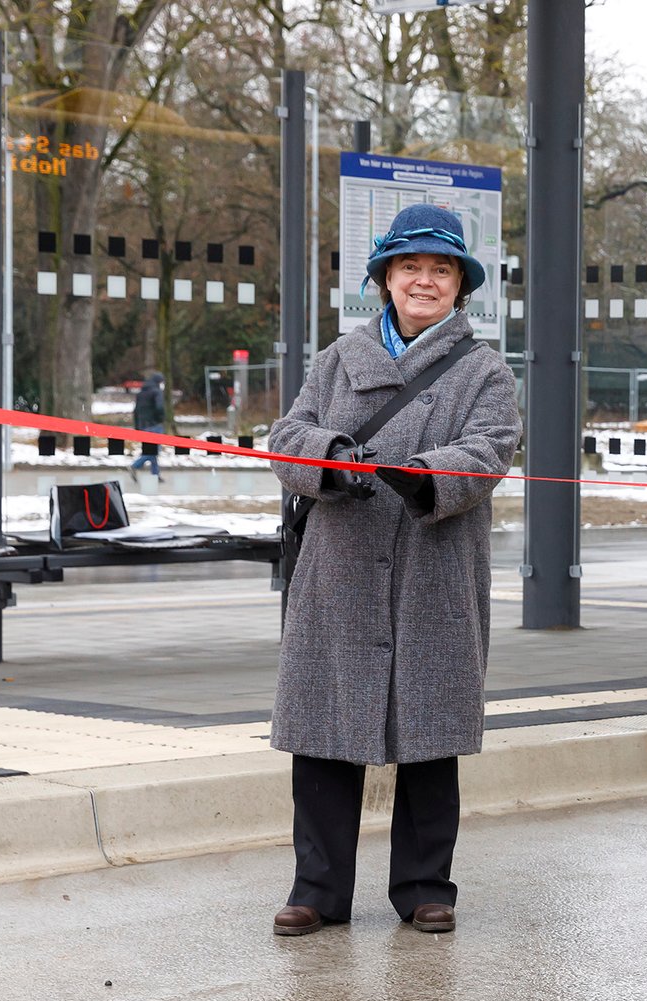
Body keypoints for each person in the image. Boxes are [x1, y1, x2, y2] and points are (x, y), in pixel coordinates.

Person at [264, 204, 520, 937]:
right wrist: (332, 457)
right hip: (338, 572)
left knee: (430, 738)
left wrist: (426, 474)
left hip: (434, 570)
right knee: (323, 733)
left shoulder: (484, 370)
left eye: (441, 270)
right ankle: (317, 888)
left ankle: (424, 886)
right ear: (385, 277)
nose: (425, 281)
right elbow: (286, 435)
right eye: (411, 267)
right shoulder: (337, 359)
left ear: (460, 287)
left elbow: (492, 447)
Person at [131, 371, 166, 477]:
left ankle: (155, 474)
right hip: (154, 425)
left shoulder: (141, 393)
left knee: (151, 449)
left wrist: (137, 427)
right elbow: (159, 407)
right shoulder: (157, 392)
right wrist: (160, 418)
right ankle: (135, 465)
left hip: (143, 426)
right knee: (153, 451)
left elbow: (136, 411)